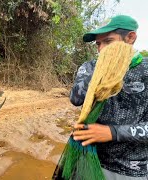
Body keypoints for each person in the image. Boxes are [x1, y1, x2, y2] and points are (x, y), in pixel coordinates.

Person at [70, 15, 148, 179]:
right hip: (90, 159)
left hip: (130, 170)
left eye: (108, 41)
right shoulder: (91, 67)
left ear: (130, 38)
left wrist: (112, 132)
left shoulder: (145, 70)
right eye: (98, 44)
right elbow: (76, 99)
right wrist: (100, 70)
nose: (101, 49)